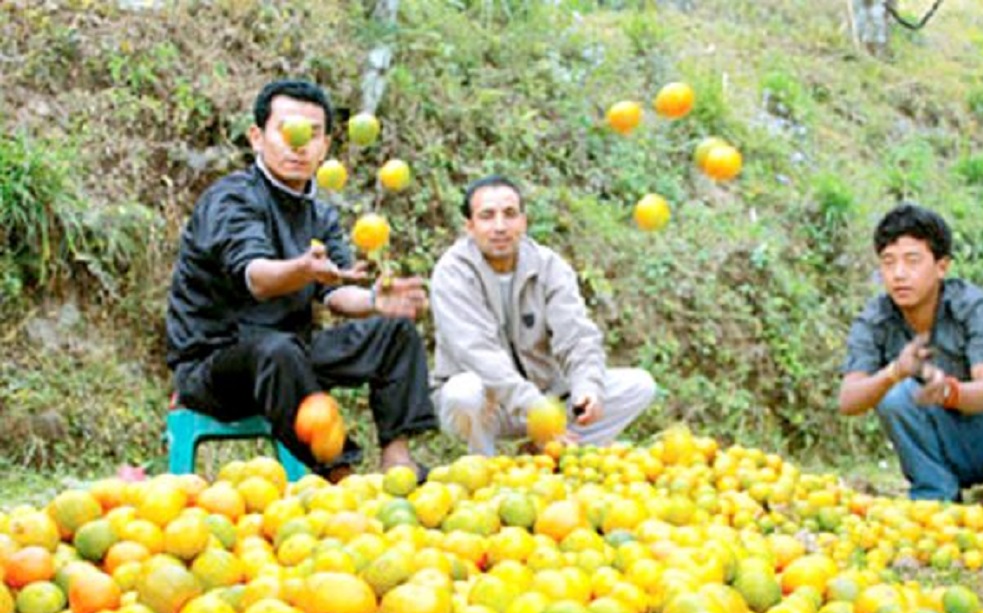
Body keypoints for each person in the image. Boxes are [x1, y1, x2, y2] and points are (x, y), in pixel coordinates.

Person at [166, 78, 436, 480]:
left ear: (325, 146)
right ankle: (339, 474)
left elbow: (336, 290)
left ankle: (398, 459)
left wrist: (374, 301)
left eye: (312, 135)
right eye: (287, 131)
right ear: (257, 137)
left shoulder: (319, 214)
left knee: (394, 333)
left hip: (290, 355)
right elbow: (256, 277)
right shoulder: (231, 199)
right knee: (276, 351)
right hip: (217, 364)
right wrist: (302, 268)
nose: (299, 145)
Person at [429, 175, 656, 456]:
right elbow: (477, 352)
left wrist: (587, 387)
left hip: (549, 397)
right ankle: (484, 463)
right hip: (493, 406)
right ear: (470, 226)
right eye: (487, 216)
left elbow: (577, 336)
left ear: (523, 221)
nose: (500, 226)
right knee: (463, 392)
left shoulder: (549, 266)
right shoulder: (452, 273)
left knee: (639, 386)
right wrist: (533, 405)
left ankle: (549, 453)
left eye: (510, 214)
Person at [839, 202, 983, 502]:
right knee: (892, 394)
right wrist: (893, 372)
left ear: (941, 266)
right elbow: (848, 400)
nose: (899, 274)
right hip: (942, 442)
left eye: (912, 261)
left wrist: (947, 392)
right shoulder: (875, 320)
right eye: (889, 263)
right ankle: (935, 492)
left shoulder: (975, 308)